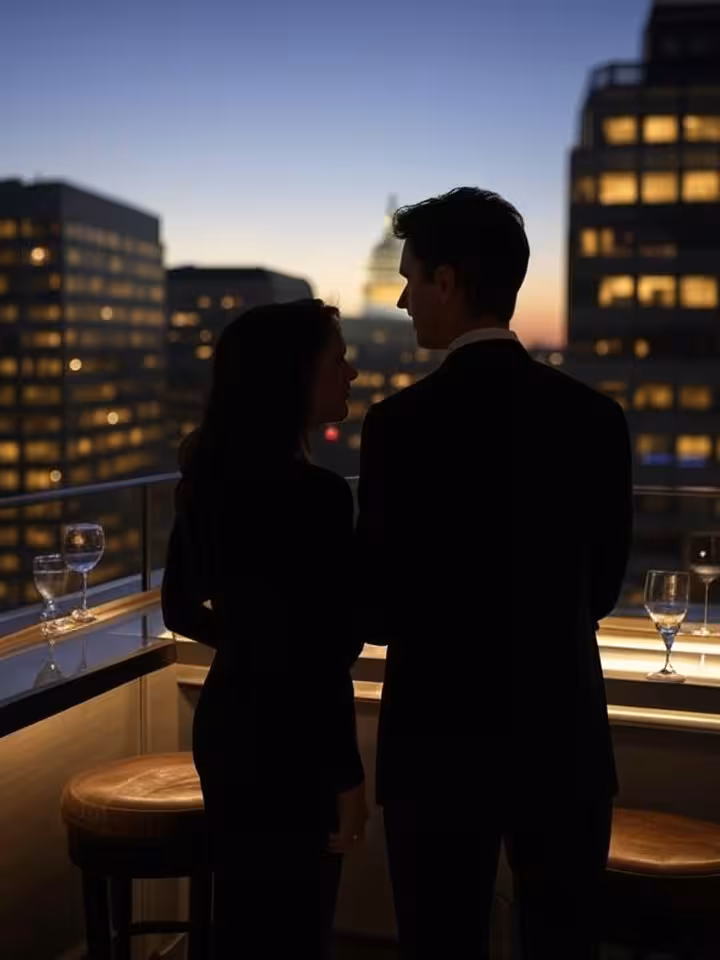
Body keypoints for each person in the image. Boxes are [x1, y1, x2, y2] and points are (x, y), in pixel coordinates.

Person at [356, 188, 633, 959]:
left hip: (436, 745)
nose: (404, 298)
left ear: (448, 281)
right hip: (562, 735)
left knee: (441, 942)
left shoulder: (398, 427)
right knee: (564, 942)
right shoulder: (595, 419)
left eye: (411, 278)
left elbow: (375, 609)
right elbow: (602, 591)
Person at [162, 299, 367, 959]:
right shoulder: (321, 498)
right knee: (299, 929)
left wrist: (254, 640)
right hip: (297, 746)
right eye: (338, 360)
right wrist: (349, 779)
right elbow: (326, 655)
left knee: (246, 922)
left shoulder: (207, 479)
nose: (354, 372)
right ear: (294, 376)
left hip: (228, 728)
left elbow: (179, 609)